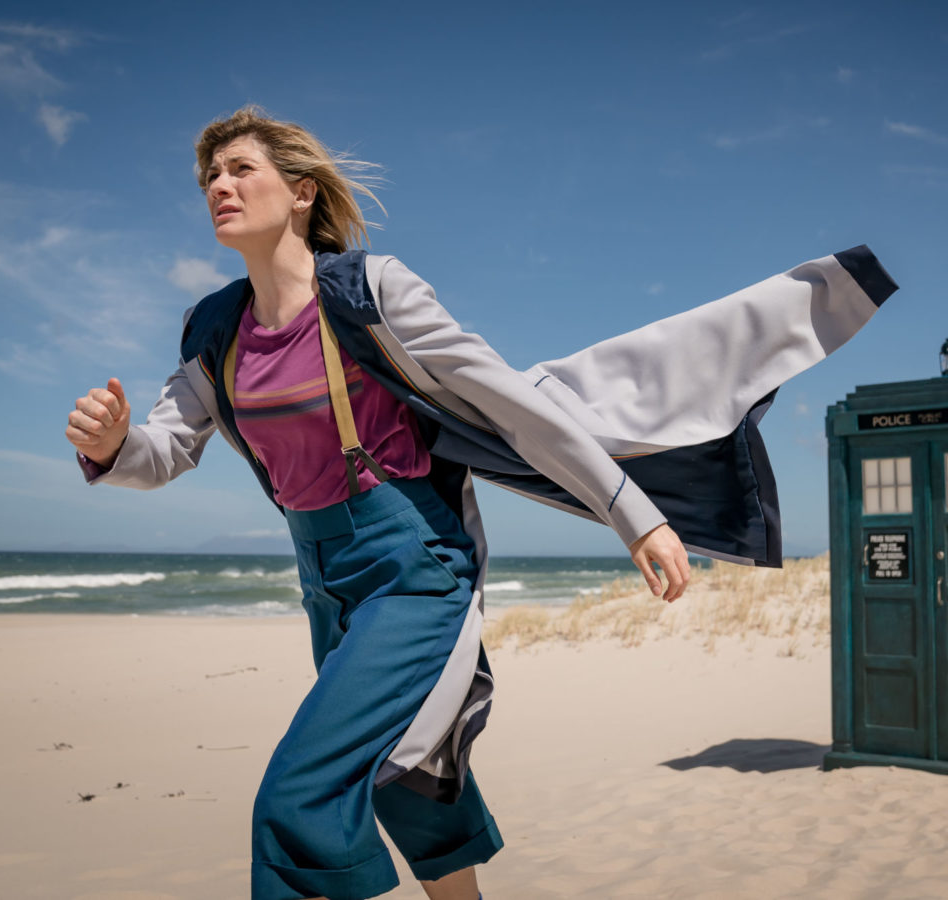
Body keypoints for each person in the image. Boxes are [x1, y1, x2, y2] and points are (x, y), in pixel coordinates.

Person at [67, 107, 897, 900]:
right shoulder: (214, 328)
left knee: (298, 797)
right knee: (407, 775)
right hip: (323, 581)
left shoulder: (369, 291)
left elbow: (511, 404)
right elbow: (162, 451)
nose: (220, 183)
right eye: (210, 174)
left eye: (241, 168)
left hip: (413, 568)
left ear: (302, 191)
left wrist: (631, 510)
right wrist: (110, 448)